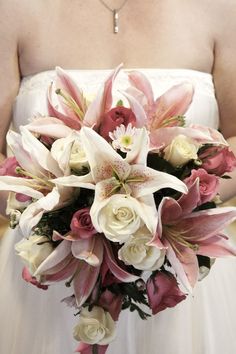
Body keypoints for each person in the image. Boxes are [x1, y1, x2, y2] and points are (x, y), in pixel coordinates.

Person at [1, 1, 236, 353]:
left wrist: (174, 206)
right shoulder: (12, 8)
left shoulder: (222, 8)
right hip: (51, 278)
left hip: (181, 281)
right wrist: (65, 214)